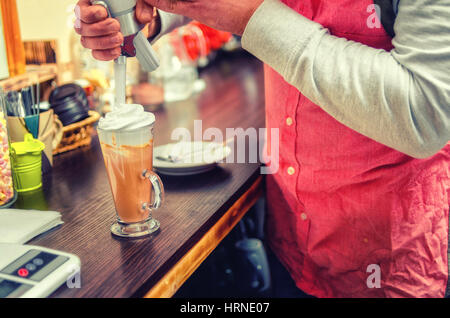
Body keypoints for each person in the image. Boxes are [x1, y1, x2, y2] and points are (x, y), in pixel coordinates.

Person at [75, 0, 450, 297]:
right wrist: (151, 19)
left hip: (390, 257)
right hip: (294, 243)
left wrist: (254, 18)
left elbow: (426, 114)